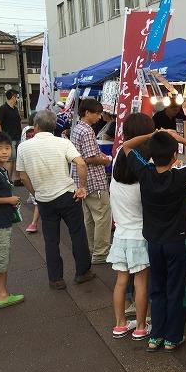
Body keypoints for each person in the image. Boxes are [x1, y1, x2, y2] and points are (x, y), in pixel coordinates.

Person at [121, 129, 186, 352]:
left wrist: (151, 135)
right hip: (177, 242)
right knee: (177, 289)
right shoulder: (179, 176)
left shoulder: (145, 172)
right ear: (174, 155)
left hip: (154, 241)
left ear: (151, 154)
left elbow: (127, 146)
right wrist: (180, 139)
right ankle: (172, 337)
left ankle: (156, 336)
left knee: (157, 288)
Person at [16, 110, 95, 290]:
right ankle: (83, 272)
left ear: (35, 126)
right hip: (68, 195)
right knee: (77, 234)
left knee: (51, 239)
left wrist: (35, 193)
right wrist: (82, 187)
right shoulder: (63, 142)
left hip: (44, 198)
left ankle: (56, 278)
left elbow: (23, 177)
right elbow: (81, 163)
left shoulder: (24, 147)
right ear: (53, 126)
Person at [107, 113, 156, 341]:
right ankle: (141, 325)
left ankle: (119, 324)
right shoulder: (146, 167)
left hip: (120, 235)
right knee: (141, 283)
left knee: (121, 282)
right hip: (139, 235)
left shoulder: (119, 159)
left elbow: (127, 148)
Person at [71, 99, 112, 265]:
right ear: (87, 113)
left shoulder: (77, 128)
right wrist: (107, 160)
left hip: (80, 180)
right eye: (97, 113)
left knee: (89, 218)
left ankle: (92, 249)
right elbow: (89, 158)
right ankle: (101, 253)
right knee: (102, 216)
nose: (100, 116)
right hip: (93, 179)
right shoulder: (87, 131)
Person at [0, 131, 24, 309]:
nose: (4, 152)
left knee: (2, 261)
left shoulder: (0, 169)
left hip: (2, 221)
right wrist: (8, 200)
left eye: (7, 148)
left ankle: (2, 295)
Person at [0, 89, 22, 183]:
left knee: (17, 159)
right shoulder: (2, 109)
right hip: (8, 138)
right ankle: (6, 180)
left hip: (18, 137)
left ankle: (16, 179)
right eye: (17, 97)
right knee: (9, 160)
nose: (17, 99)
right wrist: (1, 137)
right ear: (13, 96)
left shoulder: (15, 108)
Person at [21, 112, 40, 233]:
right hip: (38, 163)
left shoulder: (25, 131)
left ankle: (32, 196)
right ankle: (33, 223)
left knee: (32, 186)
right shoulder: (40, 133)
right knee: (38, 195)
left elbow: (23, 143)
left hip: (27, 163)